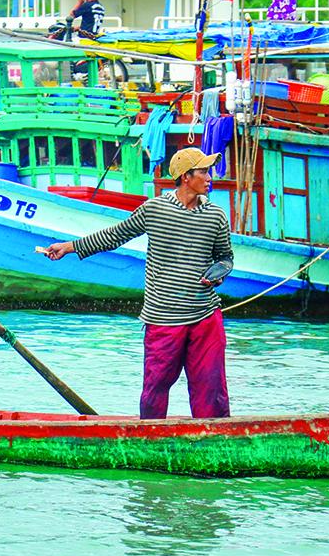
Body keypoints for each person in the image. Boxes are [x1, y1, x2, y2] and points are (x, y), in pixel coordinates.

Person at [43, 147, 233, 420]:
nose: (209, 177)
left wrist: (219, 272)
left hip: (205, 315)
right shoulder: (154, 209)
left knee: (211, 389)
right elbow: (115, 235)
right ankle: (149, 435)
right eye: (203, 171)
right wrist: (70, 247)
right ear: (186, 177)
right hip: (163, 316)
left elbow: (225, 257)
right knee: (156, 387)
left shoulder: (215, 215)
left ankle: (214, 436)